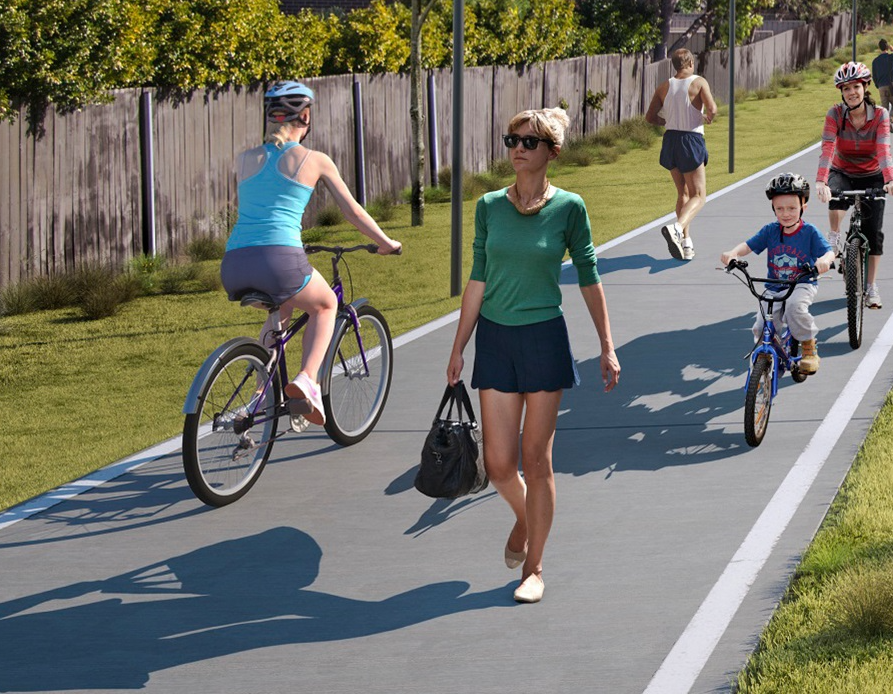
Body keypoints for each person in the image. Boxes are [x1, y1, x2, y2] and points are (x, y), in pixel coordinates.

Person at [446, 107, 621, 605]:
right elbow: (477, 279)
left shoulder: (570, 208)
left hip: (544, 338)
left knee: (536, 461)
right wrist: (459, 346)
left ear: (551, 152)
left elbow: (589, 277)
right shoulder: (488, 207)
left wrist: (607, 347)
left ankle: (535, 567)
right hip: (496, 340)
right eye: (512, 139)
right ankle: (526, 519)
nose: (517, 148)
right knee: (499, 464)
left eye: (528, 141)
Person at [220, 81, 403, 428]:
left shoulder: (245, 159)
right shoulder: (314, 159)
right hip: (279, 260)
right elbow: (354, 213)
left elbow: (262, 210)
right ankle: (307, 380)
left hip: (234, 263)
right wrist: (386, 242)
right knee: (325, 305)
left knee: (283, 307)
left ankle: (257, 399)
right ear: (306, 116)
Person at [718, 173, 833, 374]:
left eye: (792, 208)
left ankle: (808, 347)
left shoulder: (810, 232)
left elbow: (829, 252)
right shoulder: (770, 231)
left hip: (802, 283)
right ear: (773, 208)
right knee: (762, 323)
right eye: (779, 209)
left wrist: (824, 261)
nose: (786, 213)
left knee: (795, 307)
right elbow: (749, 245)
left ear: (803, 207)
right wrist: (733, 252)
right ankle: (766, 353)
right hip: (774, 285)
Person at [815, 61, 893, 310]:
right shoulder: (834, 114)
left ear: (865, 87)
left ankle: (872, 287)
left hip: (873, 174)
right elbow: (828, 149)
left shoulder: (881, 115)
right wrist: (821, 181)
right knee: (835, 195)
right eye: (846, 89)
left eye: (856, 87)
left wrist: (891, 179)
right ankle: (834, 237)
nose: (851, 93)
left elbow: (884, 150)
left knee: (874, 233)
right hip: (843, 170)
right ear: (841, 93)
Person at [645, 47, 717, 261]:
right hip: (690, 139)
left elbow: (650, 117)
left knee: (682, 194)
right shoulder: (699, 82)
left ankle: (686, 243)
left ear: (675, 65)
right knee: (699, 195)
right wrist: (708, 118)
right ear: (691, 63)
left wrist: (665, 121)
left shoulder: (664, 86)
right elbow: (712, 109)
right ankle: (677, 228)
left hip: (670, 140)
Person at [870, 38, 893, 133]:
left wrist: (878, 85)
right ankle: (890, 120)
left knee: (884, 108)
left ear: (879, 48)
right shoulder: (891, 57)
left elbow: (874, 75)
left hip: (881, 87)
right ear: (887, 47)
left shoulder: (875, 61)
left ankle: (885, 124)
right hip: (891, 86)